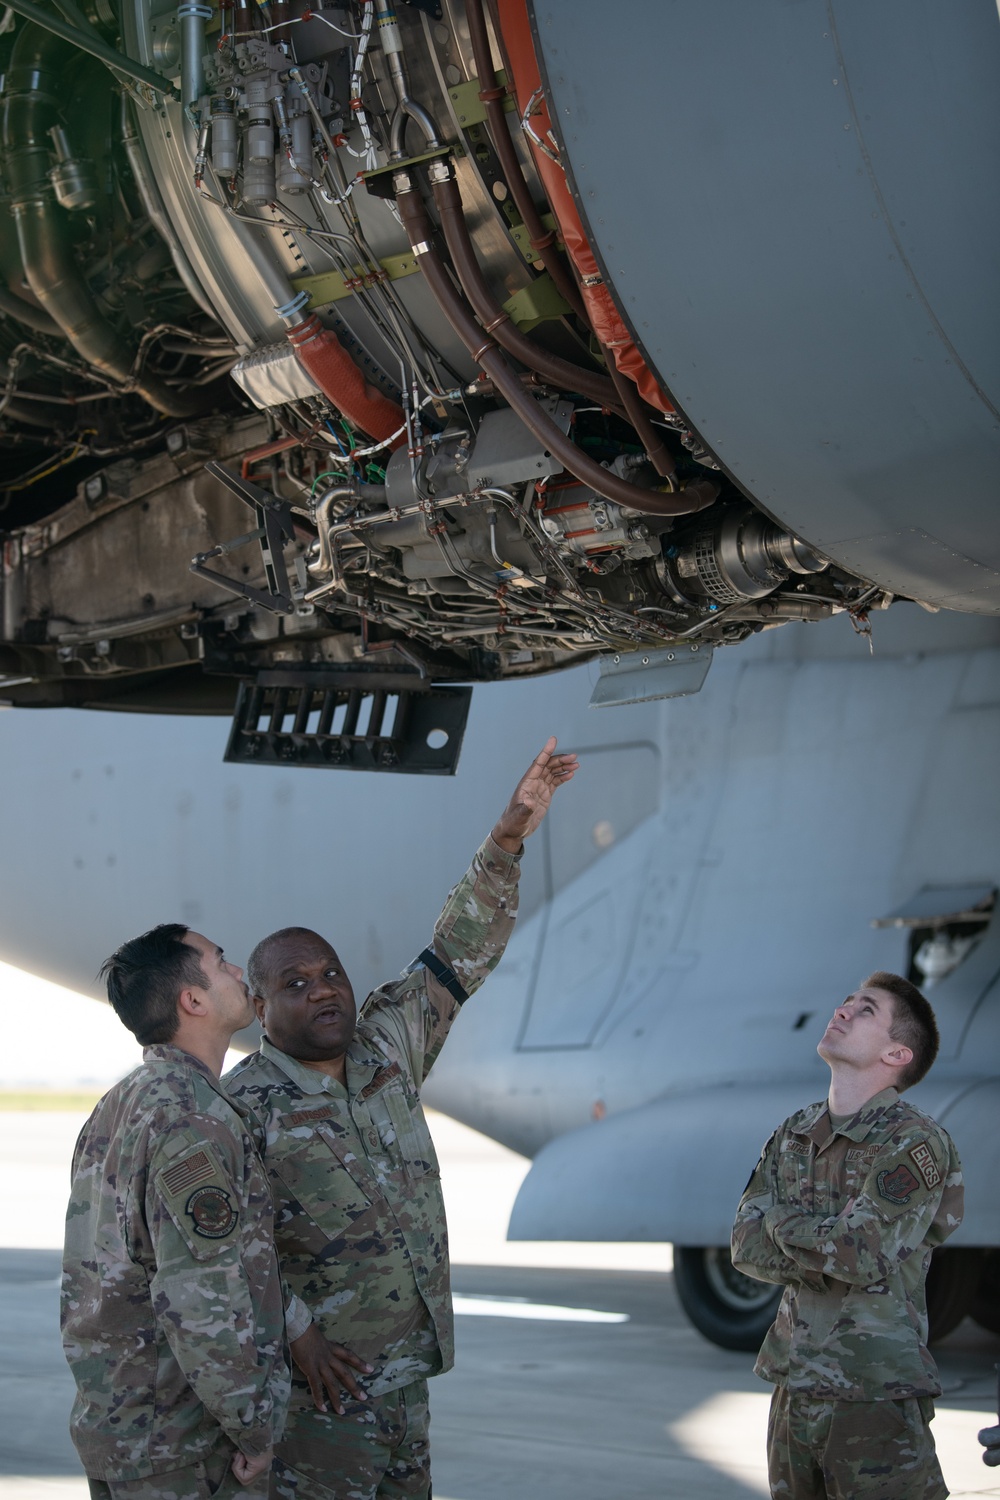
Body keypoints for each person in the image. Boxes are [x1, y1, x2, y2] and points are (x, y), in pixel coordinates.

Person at [224, 735, 578, 1500]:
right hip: (320, 1387)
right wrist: (298, 1335)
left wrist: (509, 834)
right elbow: (229, 1246)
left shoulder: (388, 1045)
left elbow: (460, 948)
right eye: (296, 983)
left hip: (406, 1373)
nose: (324, 991)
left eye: (331, 974)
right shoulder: (242, 1106)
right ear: (258, 1008)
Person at [62, 924, 305, 1500]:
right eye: (222, 963)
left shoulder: (122, 1103)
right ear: (191, 1000)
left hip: (127, 1429)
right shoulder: (193, 1119)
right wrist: (252, 1430)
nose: (239, 971)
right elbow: (200, 1298)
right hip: (184, 1447)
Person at [731, 971, 964, 1500]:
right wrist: (827, 1240)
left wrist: (784, 1225)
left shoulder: (913, 1141)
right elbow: (745, 1245)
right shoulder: (794, 1132)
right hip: (794, 1384)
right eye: (845, 1003)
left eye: (866, 1011)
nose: (842, 1012)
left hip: (873, 1393)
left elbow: (860, 1255)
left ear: (897, 1054)